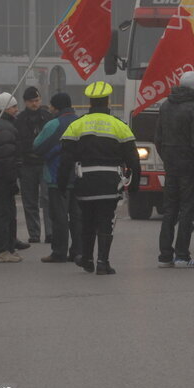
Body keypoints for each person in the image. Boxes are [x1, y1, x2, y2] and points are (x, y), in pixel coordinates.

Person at [57, 81, 141, 275]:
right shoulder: (120, 126)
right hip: (110, 182)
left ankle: (86, 259)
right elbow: (134, 160)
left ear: (90, 102)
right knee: (105, 221)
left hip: (85, 181)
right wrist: (134, 185)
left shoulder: (76, 126)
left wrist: (62, 185)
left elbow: (65, 160)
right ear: (108, 101)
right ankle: (103, 262)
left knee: (86, 220)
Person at [155, 71, 194, 269]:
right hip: (188, 165)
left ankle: (165, 256)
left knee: (170, 210)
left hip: (171, 163)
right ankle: (182, 255)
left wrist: (167, 157)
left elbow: (158, 137)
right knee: (186, 209)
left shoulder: (166, 105)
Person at [33, 92, 80, 263]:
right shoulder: (81, 122)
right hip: (78, 176)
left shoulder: (53, 124)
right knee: (76, 216)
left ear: (56, 107)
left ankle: (59, 251)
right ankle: (77, 251)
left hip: (55, 176)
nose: (50, 108)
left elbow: (37, 146)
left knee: (59, 217)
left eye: (51, 105)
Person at [0, 93, 24, 263]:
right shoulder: (5, 128)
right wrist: (11, 179)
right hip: (3, 177)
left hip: (0, 176)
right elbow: (6, 157)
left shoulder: (2, 125)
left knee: (8, 213)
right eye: (14, 106)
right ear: (5, 108)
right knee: (4, 213)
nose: (17, 110)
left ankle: (8, 248)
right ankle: (1, 249)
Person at [16, 86, 53, 244]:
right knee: (29, 200)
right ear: (25, 102)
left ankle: (50, 233)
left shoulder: (47, 116)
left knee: (47, 199)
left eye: (37, 100)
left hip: (44, 162)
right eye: (31, 101)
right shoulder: (20, 119)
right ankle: (34, 234)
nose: (34, 104)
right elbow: (17, 142)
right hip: (27, 163)